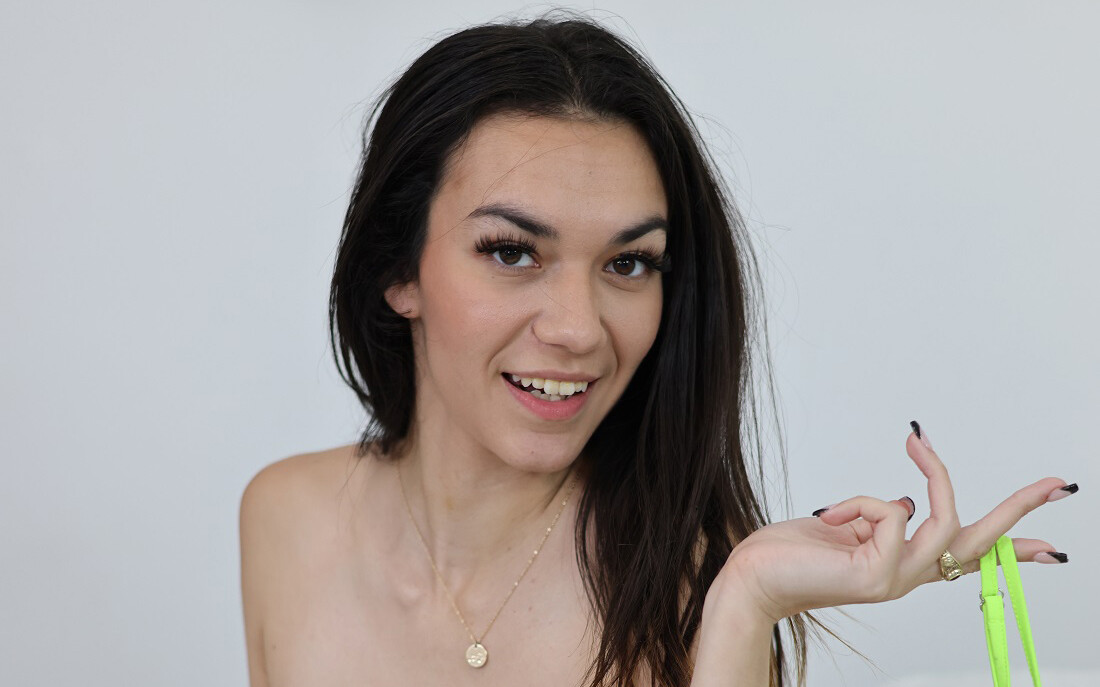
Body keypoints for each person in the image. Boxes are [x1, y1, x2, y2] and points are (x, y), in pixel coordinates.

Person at [238, 13, 1075, 687]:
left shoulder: (691, 581)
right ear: (399, 269)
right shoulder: (284, 518)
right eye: (512, 251)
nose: (578, 328)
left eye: (629, 263)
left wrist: (745, 603)